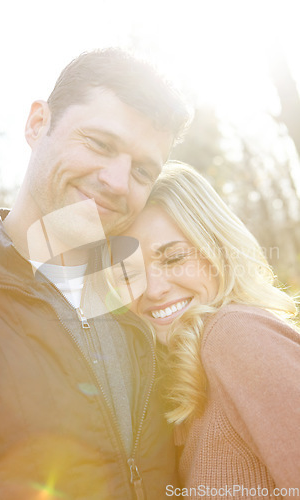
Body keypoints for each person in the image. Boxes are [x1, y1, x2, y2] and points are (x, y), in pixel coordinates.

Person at [0, 49, 190, 499]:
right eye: (100, 144)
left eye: (143, 170)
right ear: (37, 124)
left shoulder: (149, 304)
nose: (117, 181)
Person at [119, 161, 300, 496]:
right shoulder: (181, 370)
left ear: (219, 251)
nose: (153, 289)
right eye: (130, 272)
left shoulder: (236, 335)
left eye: (173, 258)